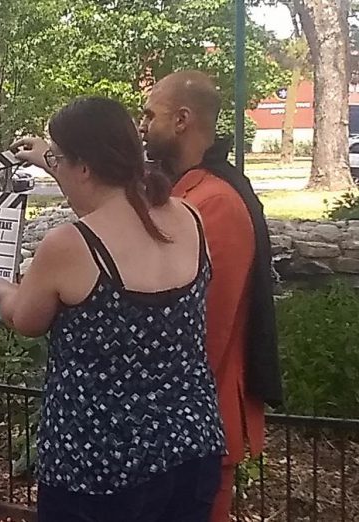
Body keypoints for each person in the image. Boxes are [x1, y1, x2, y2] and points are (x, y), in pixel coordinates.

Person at [0, 96, 226, 522]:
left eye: (61, 160)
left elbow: (26, 319)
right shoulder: (189, 216)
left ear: (83, 167)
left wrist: (2, 288)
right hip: (191, 444)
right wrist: (50, 156)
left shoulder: (72, 245)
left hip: (98, 463)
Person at [140, 70, 283, 522]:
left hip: (199, 427)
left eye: (149, 115)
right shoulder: (189, 190)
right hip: (175, 428)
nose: (142, 125)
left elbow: (205, 329)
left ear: (182, 119)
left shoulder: (214, 201)